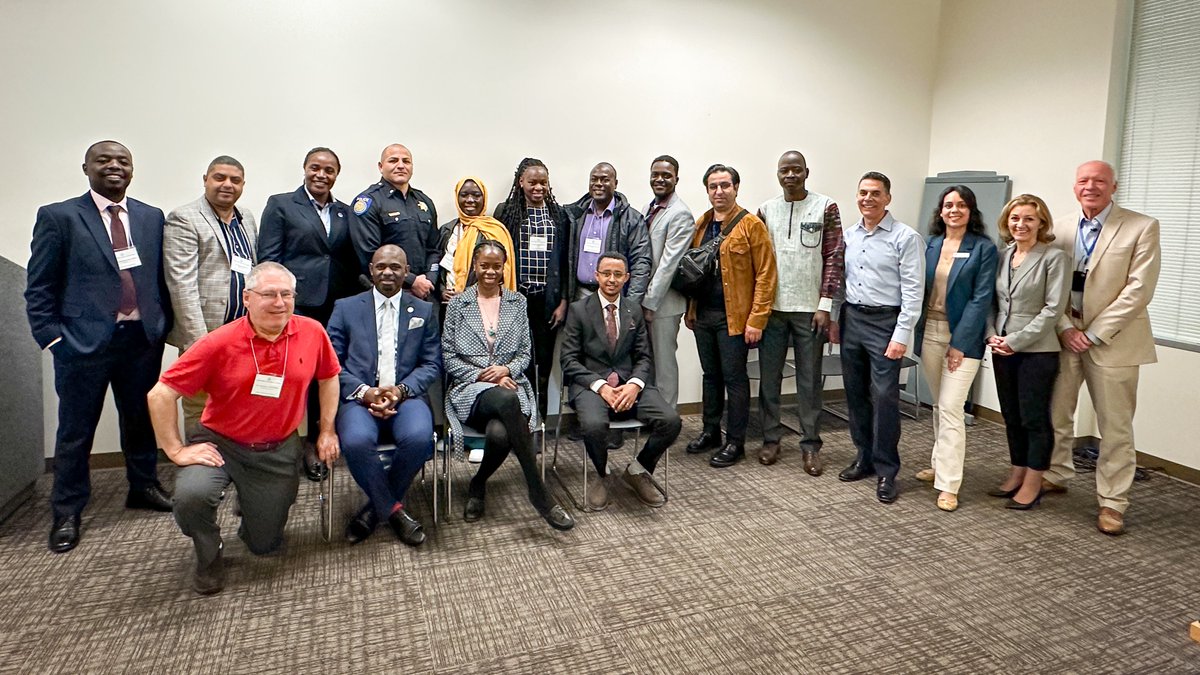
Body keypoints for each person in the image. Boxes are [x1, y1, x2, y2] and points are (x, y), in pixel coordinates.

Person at [147, 262, 341, 595]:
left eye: (286, 294)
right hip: (220, 444)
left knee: (264, 544)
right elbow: (161, 394)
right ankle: (209, 554)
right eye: (268, 294)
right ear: (247, 298)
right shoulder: (219, 342)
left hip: (277, 449)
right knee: (191, 498)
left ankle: (250, 505)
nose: (279, 302)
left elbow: (329, 377)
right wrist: (175, 450)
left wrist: (326, 430)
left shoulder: (311, 332)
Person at [25, 140, 174, 553]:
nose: (114, 166)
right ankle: (67, 510)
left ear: (132, 169)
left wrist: (160, 328)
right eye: (103, 160)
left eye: (122, 160)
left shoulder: (150, 217)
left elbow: (157, 279)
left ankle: (142, 486)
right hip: (81, 343)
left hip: (140, 340)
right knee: (75, 430)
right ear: (85, 167)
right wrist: (52, 339)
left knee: (140, 420)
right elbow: (39, 287)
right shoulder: (59, 217)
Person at [1046, 160, 1160, 536]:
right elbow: (1048, 284)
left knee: (1115, 427)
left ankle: (1113, 502)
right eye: (1083, 181)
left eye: (1099, 181)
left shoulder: (1141, 227)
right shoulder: (1058, 227)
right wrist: (1065, 326)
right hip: (1064, 334)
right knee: (1056, 413)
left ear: (1114, 186)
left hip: (1114, 341)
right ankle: (1057, 472)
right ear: (1074, 186)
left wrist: (1093, 333)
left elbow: (1138, 291)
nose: (1090, 187)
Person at [442, 241, 575, 529]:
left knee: (500, 434)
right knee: (504, 399)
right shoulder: (457, 304)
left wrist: (506, 370)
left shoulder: (518, 302)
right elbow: (448, 357)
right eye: (484, 265)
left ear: (504, 268)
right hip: (470, 389)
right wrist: (485, 376)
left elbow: (526, 353)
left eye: (496, 266)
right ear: (475, 266)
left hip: (512, 384)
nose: (490, 271)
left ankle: (477, 485)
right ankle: (539, 494)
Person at [327, 245, 442, 546]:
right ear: (371, 269)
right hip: (358, 398)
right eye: (381, 266)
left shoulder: (423, 310)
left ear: (406, 272)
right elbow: (330, 363)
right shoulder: (346, 307)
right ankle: (393, 511)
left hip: (407, 397)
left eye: (395, 267)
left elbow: (432, 363)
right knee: (355, 440)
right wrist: (366, 393)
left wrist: (400, 391)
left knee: (418, 437)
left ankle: (373, 509)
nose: (388, 272)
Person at [258, 147, 361, 482]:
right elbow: (270, 260)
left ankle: (320, 439)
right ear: (304, 168)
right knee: (292, 375)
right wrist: (278, 303)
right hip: (297, 306)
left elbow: (349, 260)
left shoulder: (345, 212)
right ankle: (285, 446)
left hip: (336, 307)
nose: (321, 175)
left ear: (336, 175)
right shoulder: (282, 204)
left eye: (329, 170)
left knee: (326, 374)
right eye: (315, 168)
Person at [560, 252, 682, 510]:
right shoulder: (579, 310)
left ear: (626, 278)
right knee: (593, 426)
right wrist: (601, 387)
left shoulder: (633, 310)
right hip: (591, 387)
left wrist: (635, 384)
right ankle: (602, 474)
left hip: (629, 385)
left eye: (618, 275)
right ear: (597, 276)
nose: (612, 280)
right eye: (606, 274)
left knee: (671, 421)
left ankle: (638, 470)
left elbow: (644, 357)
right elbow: (568, 361)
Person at [836, 172, 924, 504]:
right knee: (855, 393)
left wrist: (902, 335)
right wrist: (835, 319)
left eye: (875, 193)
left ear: (888, 198)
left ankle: (887, 469)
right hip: (853, 319)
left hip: (887, 323)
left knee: (885, 397)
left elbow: (914, 292)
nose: (868, 198)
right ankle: (864, 457)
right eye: (862, 193)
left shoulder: (905, 238)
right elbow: (840, 283)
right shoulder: (850, 235)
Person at [909, 185, 998, 512]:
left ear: (971, 211)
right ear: (941, 211)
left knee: (950, 406)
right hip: (929, 332)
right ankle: (939, 462)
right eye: (948, 205)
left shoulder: (984, 249)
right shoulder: (930, 244)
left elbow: (981, 299)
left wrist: (960, 343)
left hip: (963, 337)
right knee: (939, 405)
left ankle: (948, 484)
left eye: (961, 205)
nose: (954, 210)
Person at [756, 150, 845, 474]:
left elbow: (835, 256)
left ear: (806, 172)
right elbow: (759, 263)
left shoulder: (825, 206)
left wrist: (825, 304)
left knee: (809, 382)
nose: (790, 175)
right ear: (777, 174)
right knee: (769, 379)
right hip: (773, 311)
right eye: (784, 170)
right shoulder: (766, 210)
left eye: (796, 170)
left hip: (810, 311)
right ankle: (771, 439)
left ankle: (810, 445)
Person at [684, 164, 777, 469]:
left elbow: (766, 274)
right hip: (704, 315)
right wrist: (691, 309)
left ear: (736, 187)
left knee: (735, 380)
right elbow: (691, 271)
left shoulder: (751, 225)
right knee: (711, 377)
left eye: (725, 185)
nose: (719, 191)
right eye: (713, 186)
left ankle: (735, 442)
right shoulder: (702, 223)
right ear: (707, 190)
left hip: (734, 319)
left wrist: (757, 319)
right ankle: (710, 432)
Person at [163, 155, 259, 435]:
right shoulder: (185, 218)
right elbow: (181, 284)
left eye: (235, 180)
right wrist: (198, 341)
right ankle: (202, 463)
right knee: (201, 402)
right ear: (205, 179)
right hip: (206, 331)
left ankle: (236, 458)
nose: (227, 184)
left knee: (242, 397)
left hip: (243, 332)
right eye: (219, 178)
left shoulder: (247, 219)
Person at [986, 194, 1069, 510]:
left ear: (1041, 223)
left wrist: (1015, 340)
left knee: (1034, 417)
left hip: (1037, 351)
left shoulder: (1053, 257)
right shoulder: (1002, 255)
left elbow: (1053, 309)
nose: (1021, 224)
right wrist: (993, 336)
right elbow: (992, 302)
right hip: (1002, 347)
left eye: (1028, 219)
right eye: (1015, 218)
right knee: (1011, 415)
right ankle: (1017, 470)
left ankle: (1034, 481)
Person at [494, 158, 572, 416]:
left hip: (548, 302)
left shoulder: (559, 215)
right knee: (516, 363)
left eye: (543, 182)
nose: (538, 187)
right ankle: (519, 420)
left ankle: (539, 422)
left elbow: (565, 263)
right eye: (532, 182)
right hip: (516, 300)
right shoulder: (505, 211)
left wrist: (563, 302)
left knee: (543, 364)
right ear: (521, 183)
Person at [641, 155, 696, 408]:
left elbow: (668, 265)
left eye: (666, 175)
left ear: (676, 178)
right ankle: (654, 413)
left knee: (663, 365)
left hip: (663, 304)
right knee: (647, 363)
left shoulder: (680, 214)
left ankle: (667, 419)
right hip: (645, 299)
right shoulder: (648, 208)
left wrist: (650, 303)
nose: (660, 179)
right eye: (656, 174)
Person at [350, 143, 439, 299]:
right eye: (393, 161)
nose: (400, 166)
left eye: (406, 161)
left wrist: (429, 279)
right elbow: (369, 254)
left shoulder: (424, 201)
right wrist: (411, 280)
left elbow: (434, 249)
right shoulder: (369, 202)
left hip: (425, 291)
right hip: (386, 291)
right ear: (380, 166)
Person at [565, 163, 652, 303]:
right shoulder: (575, 215)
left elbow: (640, 263)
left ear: (615, 183)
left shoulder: (631, 219)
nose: (598, 184)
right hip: (578, 296)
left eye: (605, 180)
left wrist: (631, 304)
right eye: (594, 179)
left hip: (614, 298)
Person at [436, 177, 516, 305]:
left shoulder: (495, 231)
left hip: (483, 304)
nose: (470, 200)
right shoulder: (447, 230)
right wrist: (442, 291)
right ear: (457, 198)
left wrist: (467, 293)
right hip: (448, 304)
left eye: (476, 195)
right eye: (464, 195)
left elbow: (502, 273)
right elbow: (439, 265)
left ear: (484, 199)